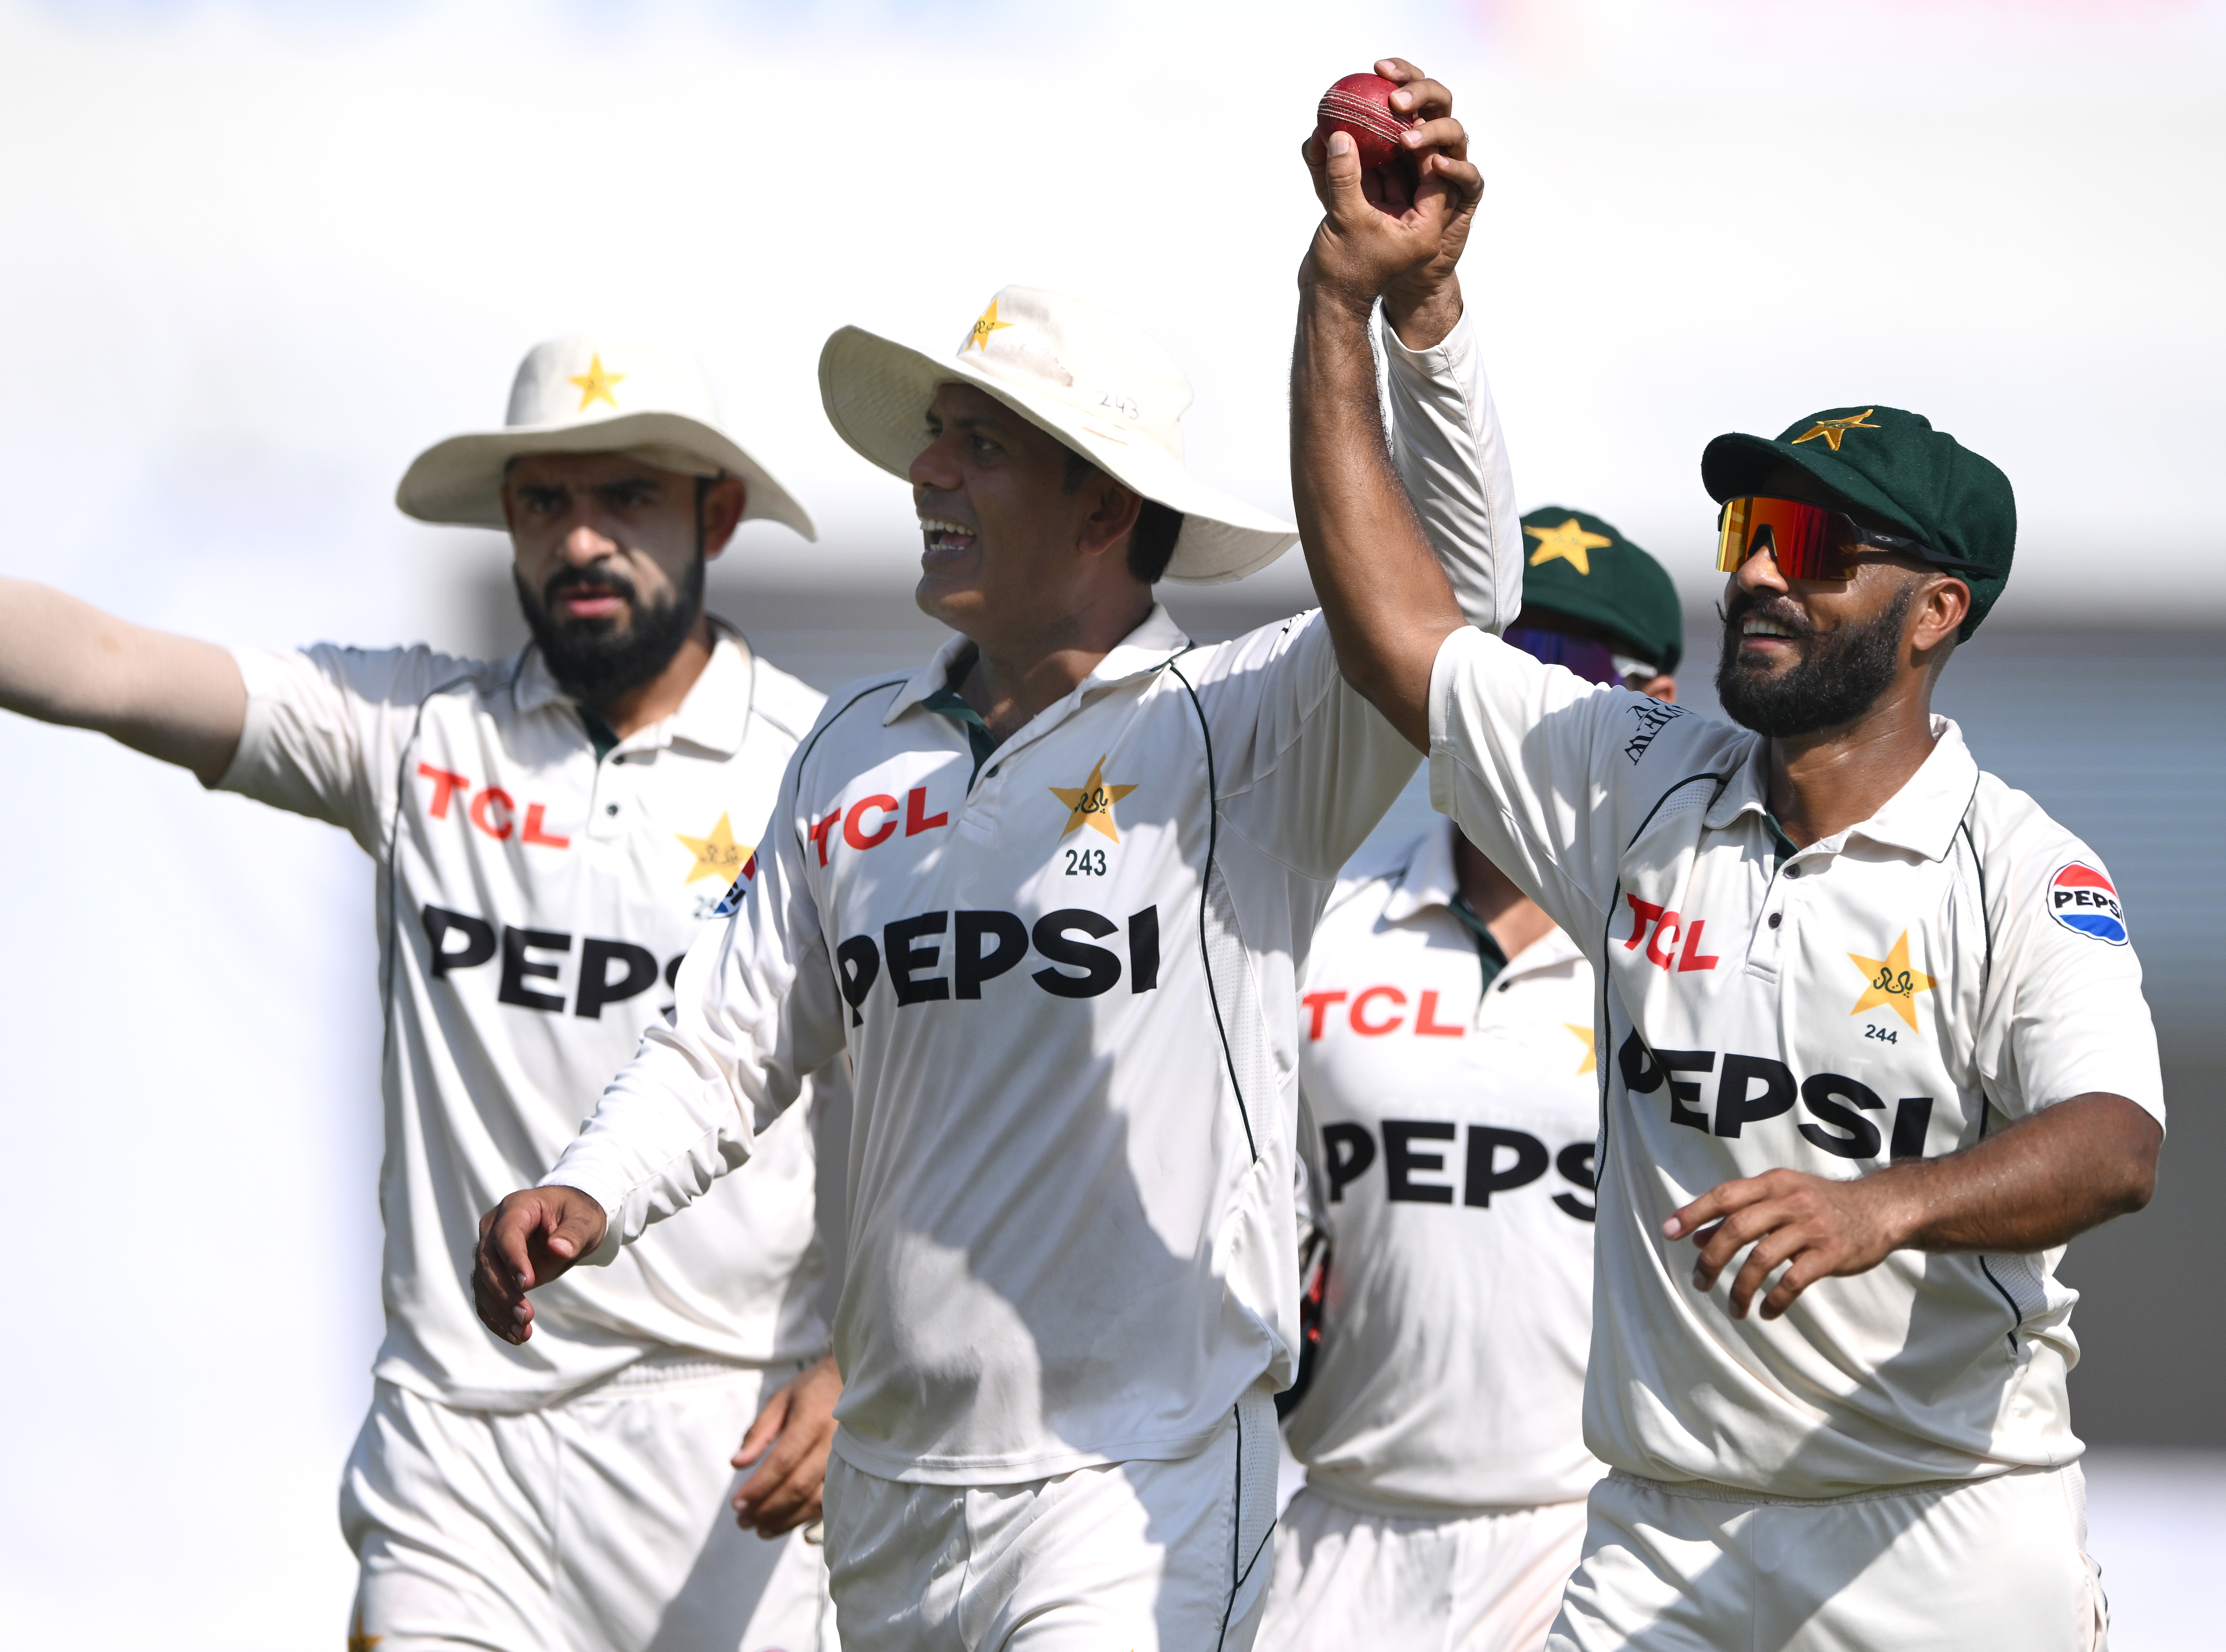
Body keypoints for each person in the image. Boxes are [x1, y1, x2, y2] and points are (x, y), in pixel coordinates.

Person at [470, 59, 1517, 1650]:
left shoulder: (1247, 725)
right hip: (891, 1494)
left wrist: (1412, 314)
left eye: (979, 445)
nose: (927, 474)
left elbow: (1463, 608)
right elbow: (724, 1040)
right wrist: (587, 1188)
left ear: (1103, 507)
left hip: (1142, 1485)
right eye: (936, 439)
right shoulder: (854, 749)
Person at [1288, 130, 2165, 1652]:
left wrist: (1885, 1204)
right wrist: (1351, 300)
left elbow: (2115, 1142)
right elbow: (1392, 632)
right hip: (1655, 1535)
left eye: (1808, 544)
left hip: (1942, 1526)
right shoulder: (1634, 777)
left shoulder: (2024, 868)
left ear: (1933, 610)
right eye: (1747, 533)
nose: (1756, 574)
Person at [0, 335, 849, 1652]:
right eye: (544, 502)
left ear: (716, 515)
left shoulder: (829, 775)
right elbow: (107, 663)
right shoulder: (411, 731)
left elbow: (941, 1114)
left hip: (728, 1451)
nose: (580, 540)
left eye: (626, 497)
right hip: (457, 1446)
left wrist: (863, 1367)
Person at [1260, 512, 1682, 1652]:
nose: (1502, 711)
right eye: (1477, 665)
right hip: (1340, 1528)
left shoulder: (1694, 959)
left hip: (1597, 1535)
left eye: (1549, 675)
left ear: (1652, 703)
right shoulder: (1320, 924)